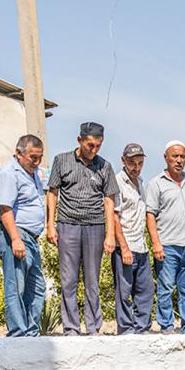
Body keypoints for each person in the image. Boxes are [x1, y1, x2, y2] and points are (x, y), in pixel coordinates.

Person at [46, 122, 119, 335]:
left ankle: (93, 327)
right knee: (68, 279)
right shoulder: (62, 160)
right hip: (67, 225)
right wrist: (50, 224)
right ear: (79, 140)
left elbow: (109, 200)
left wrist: (110, 234)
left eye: (98, 146)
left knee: (92, 280)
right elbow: (52, 192)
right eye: (90, 145)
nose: (94, 150)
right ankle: (70, 327)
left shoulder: (105, 166)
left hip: (95, 227)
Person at [144, 141, 185, 334]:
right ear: (166, 158)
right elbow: (150, 215)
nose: (179, 160)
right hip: (168, 245)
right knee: (165, 288)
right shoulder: (156, 183)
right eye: (175, 156)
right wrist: (156, 243)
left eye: (182, 157)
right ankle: (167, 325)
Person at [0, 134, 48, 336]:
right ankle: (18, 332)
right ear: (18, 153)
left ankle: (31, 332)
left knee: (37, 287)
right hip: (15, 235)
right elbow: (5, 209)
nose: (37, 162)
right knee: (16, 286)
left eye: (39, 157)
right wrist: (15, 239)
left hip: (30, 238)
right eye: (33, 157)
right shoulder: (9, 173)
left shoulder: (33, 174)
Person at [113, 143, 154, 334]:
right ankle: (126, 329)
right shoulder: (117, 182)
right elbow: (114, 217)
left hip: (141, 246)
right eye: (132, 163)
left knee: (145, 290)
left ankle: (142, 328)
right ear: (123, 161)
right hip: (126, 246)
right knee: (124, 291)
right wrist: (124, 247)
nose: (136, 168)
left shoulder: (141, 183)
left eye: (140, 163)